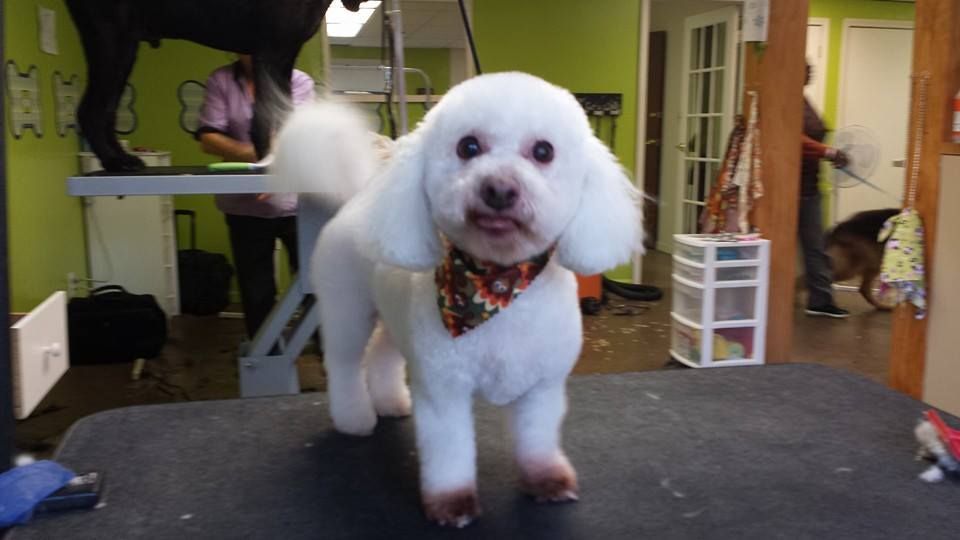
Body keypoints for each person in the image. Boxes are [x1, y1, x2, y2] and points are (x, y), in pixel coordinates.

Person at [196, 55, 316, 338]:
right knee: (256, 290)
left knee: (314, 283)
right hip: (244, 206)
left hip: (297, 205)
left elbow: (295, 134)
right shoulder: (221, 80)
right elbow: (208, 137)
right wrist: (260, 156)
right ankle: (265, 359)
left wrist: (273, 163)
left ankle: (326, 354)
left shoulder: (298, 81)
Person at [800, 63, 849, 318]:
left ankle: (820, 299)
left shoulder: (804, 101)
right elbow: (793, 138)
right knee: (795, 246)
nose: (810, 72)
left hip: (810, 185)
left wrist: (828, 154)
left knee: (816, 245)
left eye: (810, 68)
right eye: (804, 69)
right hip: (790, 189)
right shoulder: (787, 102)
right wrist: (827, 151)